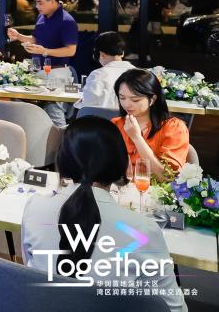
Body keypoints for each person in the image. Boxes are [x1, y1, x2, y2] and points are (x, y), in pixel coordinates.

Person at [21, 117, 186, 312]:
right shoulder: (143, 230)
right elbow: (174, 307)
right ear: (121, 164)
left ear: (62, 161)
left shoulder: (34, 206)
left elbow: (29, 268)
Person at [7, 0, 79, 127]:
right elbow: (35, 40)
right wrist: (19, 36)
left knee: (54, 112)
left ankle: (61, 141)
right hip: (37, 71)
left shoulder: (67, 21)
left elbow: (71, 50)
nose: (37, 6)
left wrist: (45, 51)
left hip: (56, 73)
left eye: (40, 2)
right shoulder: (41, 17)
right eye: (36, 2)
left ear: (52, 1)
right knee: (25, 109)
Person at [112, 69, 189, 176]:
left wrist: (137, 138)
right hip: (119, 185)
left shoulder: (174, 128)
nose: (127, 104)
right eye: (122, 98)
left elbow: (167, 176)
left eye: (135, 100)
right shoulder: (116, 124)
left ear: (152, 99)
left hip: (151, 186)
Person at [76, 32, 135, 111]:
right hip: (132, 118)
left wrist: (79, 103)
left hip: (101, 118)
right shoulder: (139, 73)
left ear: (101, 54)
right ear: (122, 53)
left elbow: (87, 104)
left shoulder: (98, 74)